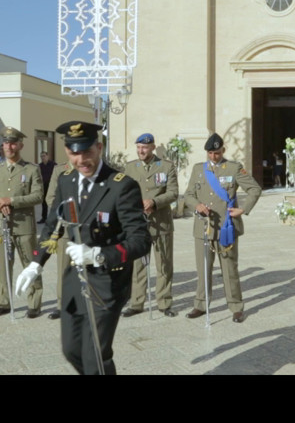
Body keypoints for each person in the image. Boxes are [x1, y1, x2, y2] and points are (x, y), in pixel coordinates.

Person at [15, 121, 151, 375]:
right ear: (66, 152)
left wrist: (98, 254)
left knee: (96, 354)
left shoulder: (121, 185)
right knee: (72, 350)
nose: (81, 159)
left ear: (99, 147)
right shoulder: (66, 180)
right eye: (74, 153)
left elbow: (141, 241)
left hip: (108, 281)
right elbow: (53, 224)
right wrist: (36, 262)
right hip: (74, 278)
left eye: (87, 151)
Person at [184, 132, 262, 323]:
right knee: (203, 269)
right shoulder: (198, 170)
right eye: (210, 153)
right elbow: (188, 194)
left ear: (223, 150)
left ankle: (236, 307)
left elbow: (254, 189)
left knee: (229, 269)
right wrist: (197, 206)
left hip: (227, 227)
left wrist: (242, 209)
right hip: (203, 227)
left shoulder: (234, 168)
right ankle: (200, 305)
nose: (213, 157)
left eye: (217, 153)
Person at [0, 127, 44, 319]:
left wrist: (11, 201)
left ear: (20, 145)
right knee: (3, 266)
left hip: (24, 226)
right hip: (1, 226)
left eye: (13, 143)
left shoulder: (31, 169)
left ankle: (34, 303)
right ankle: (3, 303)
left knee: (30, 264)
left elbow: (38, 196)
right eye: (6, 143)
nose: (9, 146)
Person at [120, 133, 180, 318]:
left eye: (144, 148)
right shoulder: (130, 167)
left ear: (153, 147)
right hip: (138, 225)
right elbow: (123, 192)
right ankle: (137, 303)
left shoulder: (166, 166)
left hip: (160, 223)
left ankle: (164, 302)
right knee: (137, 265)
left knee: (164, 264)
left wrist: (154, 201)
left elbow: (173, 193)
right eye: (138, 147)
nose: (141, 151)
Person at [43, 160, 74, 320]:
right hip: (66, 228)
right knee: (64, 269)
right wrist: (65, 212)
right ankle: (62, 305)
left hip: (90, 229)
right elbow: (51, 197)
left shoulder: (94, 166)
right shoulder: (59, 170)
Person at [38, 151, 56, 223]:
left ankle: (54, 218)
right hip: (44, 186)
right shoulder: (40, 166)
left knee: (52, 201)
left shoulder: (53, 165)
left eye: (44, 156)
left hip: (51, 186)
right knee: (44, 202)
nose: (43, 157)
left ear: (47, 156)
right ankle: (44, 218)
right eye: (41, 156)